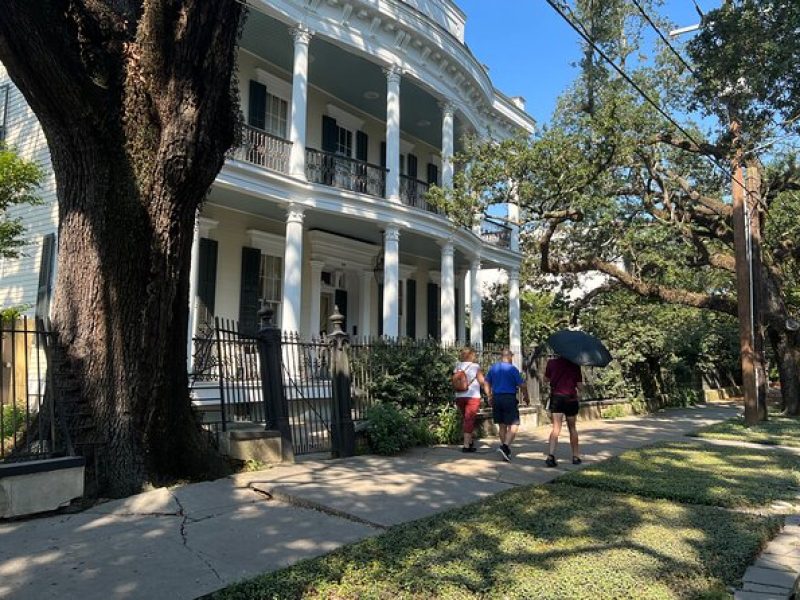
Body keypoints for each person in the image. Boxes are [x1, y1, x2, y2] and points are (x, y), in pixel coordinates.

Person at [485, 348, 529, 462]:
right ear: (509, 357)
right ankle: (505, 446)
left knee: (502, 425)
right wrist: (526, 396)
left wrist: (489, 395)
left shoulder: (493, 368)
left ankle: (506, 450)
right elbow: (522, 385)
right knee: (515, 423)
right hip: (508, 398)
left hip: (497, 397)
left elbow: (486, 382)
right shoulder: (512, 369)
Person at [544, 355, 583, 467]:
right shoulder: (575, 365)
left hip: (557, 398)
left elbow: (545, 379)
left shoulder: (551, 363)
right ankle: (575, 456)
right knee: (572, 428)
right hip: (571, 398)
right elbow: (580, 386)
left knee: (556, 428)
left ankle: (551, 455)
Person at [453, 347, 486, 453]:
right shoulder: (475, 366)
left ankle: (470, 442)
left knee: (466, 418)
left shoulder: (457, 366)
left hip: (459, 396)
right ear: (471, 355)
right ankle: (466, 446)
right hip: (472, 396)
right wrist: (489, 393)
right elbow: (482, 381)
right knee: (469, 419)